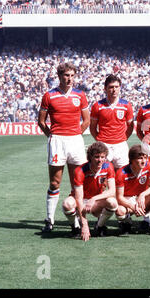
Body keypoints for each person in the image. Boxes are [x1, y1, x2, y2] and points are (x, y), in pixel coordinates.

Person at [38, 62, 90, 234]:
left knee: (77, 183)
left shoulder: (80, 95)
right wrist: (53, 136)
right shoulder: (49, 95)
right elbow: (41, 121)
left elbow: (87, 121)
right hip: (57, 141)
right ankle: (49, 219)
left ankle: (74, 220)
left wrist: (76, 134)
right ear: (59, 76)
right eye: (66, 75)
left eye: (72, 75)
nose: (69, 79)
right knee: (55, 182)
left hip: (75, 140)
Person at [61, 142, 118, 241]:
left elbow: (112, 191)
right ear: (90, 157)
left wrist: (93, 199)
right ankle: (76, 227)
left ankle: (100, 226)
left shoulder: (108, 166)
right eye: (96, 157)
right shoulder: (80, 170)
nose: (100, 160)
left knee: (113, 203)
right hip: (81, 200)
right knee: (67, 204)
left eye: (102, 157)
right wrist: (85, 224)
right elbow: (78, 198)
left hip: (96, 201)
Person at [115, 145, 150, 236]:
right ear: (132, 160)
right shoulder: (121, 173)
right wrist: (134, 207)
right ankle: (127, 222)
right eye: (140, 158)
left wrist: (143, 194)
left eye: (145, 157)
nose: (144, 161)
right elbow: (119, 197)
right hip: (128, 199)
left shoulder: (148, 165)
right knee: (119, 211)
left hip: (142, 198)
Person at [90, 74, 134, 169]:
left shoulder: (126, 105)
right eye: (111, 87)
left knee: (122, 176)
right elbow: (92, 127)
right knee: (103, 176)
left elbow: (130, 126)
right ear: (105, 88)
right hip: (104, 145)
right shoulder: (97, 106)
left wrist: (123, 138)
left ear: (120, 88)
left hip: (121, 145)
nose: (114, 89)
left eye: (116, 87)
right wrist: (99, 140)